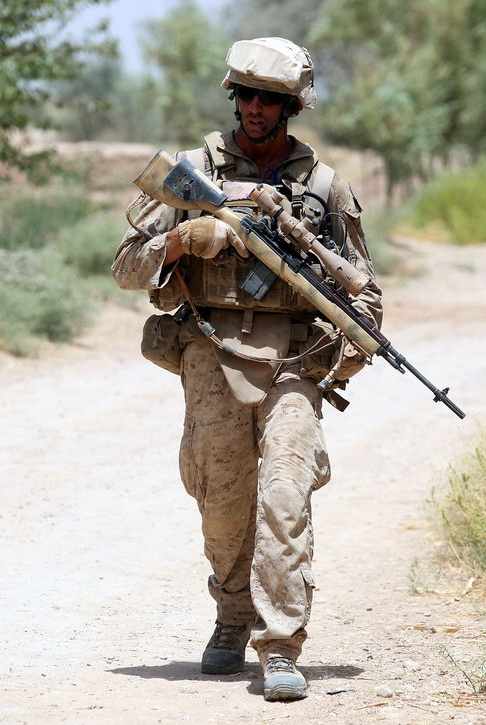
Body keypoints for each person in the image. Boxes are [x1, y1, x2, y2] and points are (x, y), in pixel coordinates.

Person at [111, 37, 383, 701]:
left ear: (292, 107)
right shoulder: (192, 172)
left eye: (270, 99)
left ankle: (281, 643)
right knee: (221, 502)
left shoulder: (324, 188)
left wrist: (346, 354)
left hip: (293, 359)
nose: (256, 108)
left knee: (285, 496)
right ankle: (232, 616)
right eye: (246, 95)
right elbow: (126, 267)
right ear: (234, 97)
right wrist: (183, 238)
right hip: (210, 353)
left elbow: (366, 297)